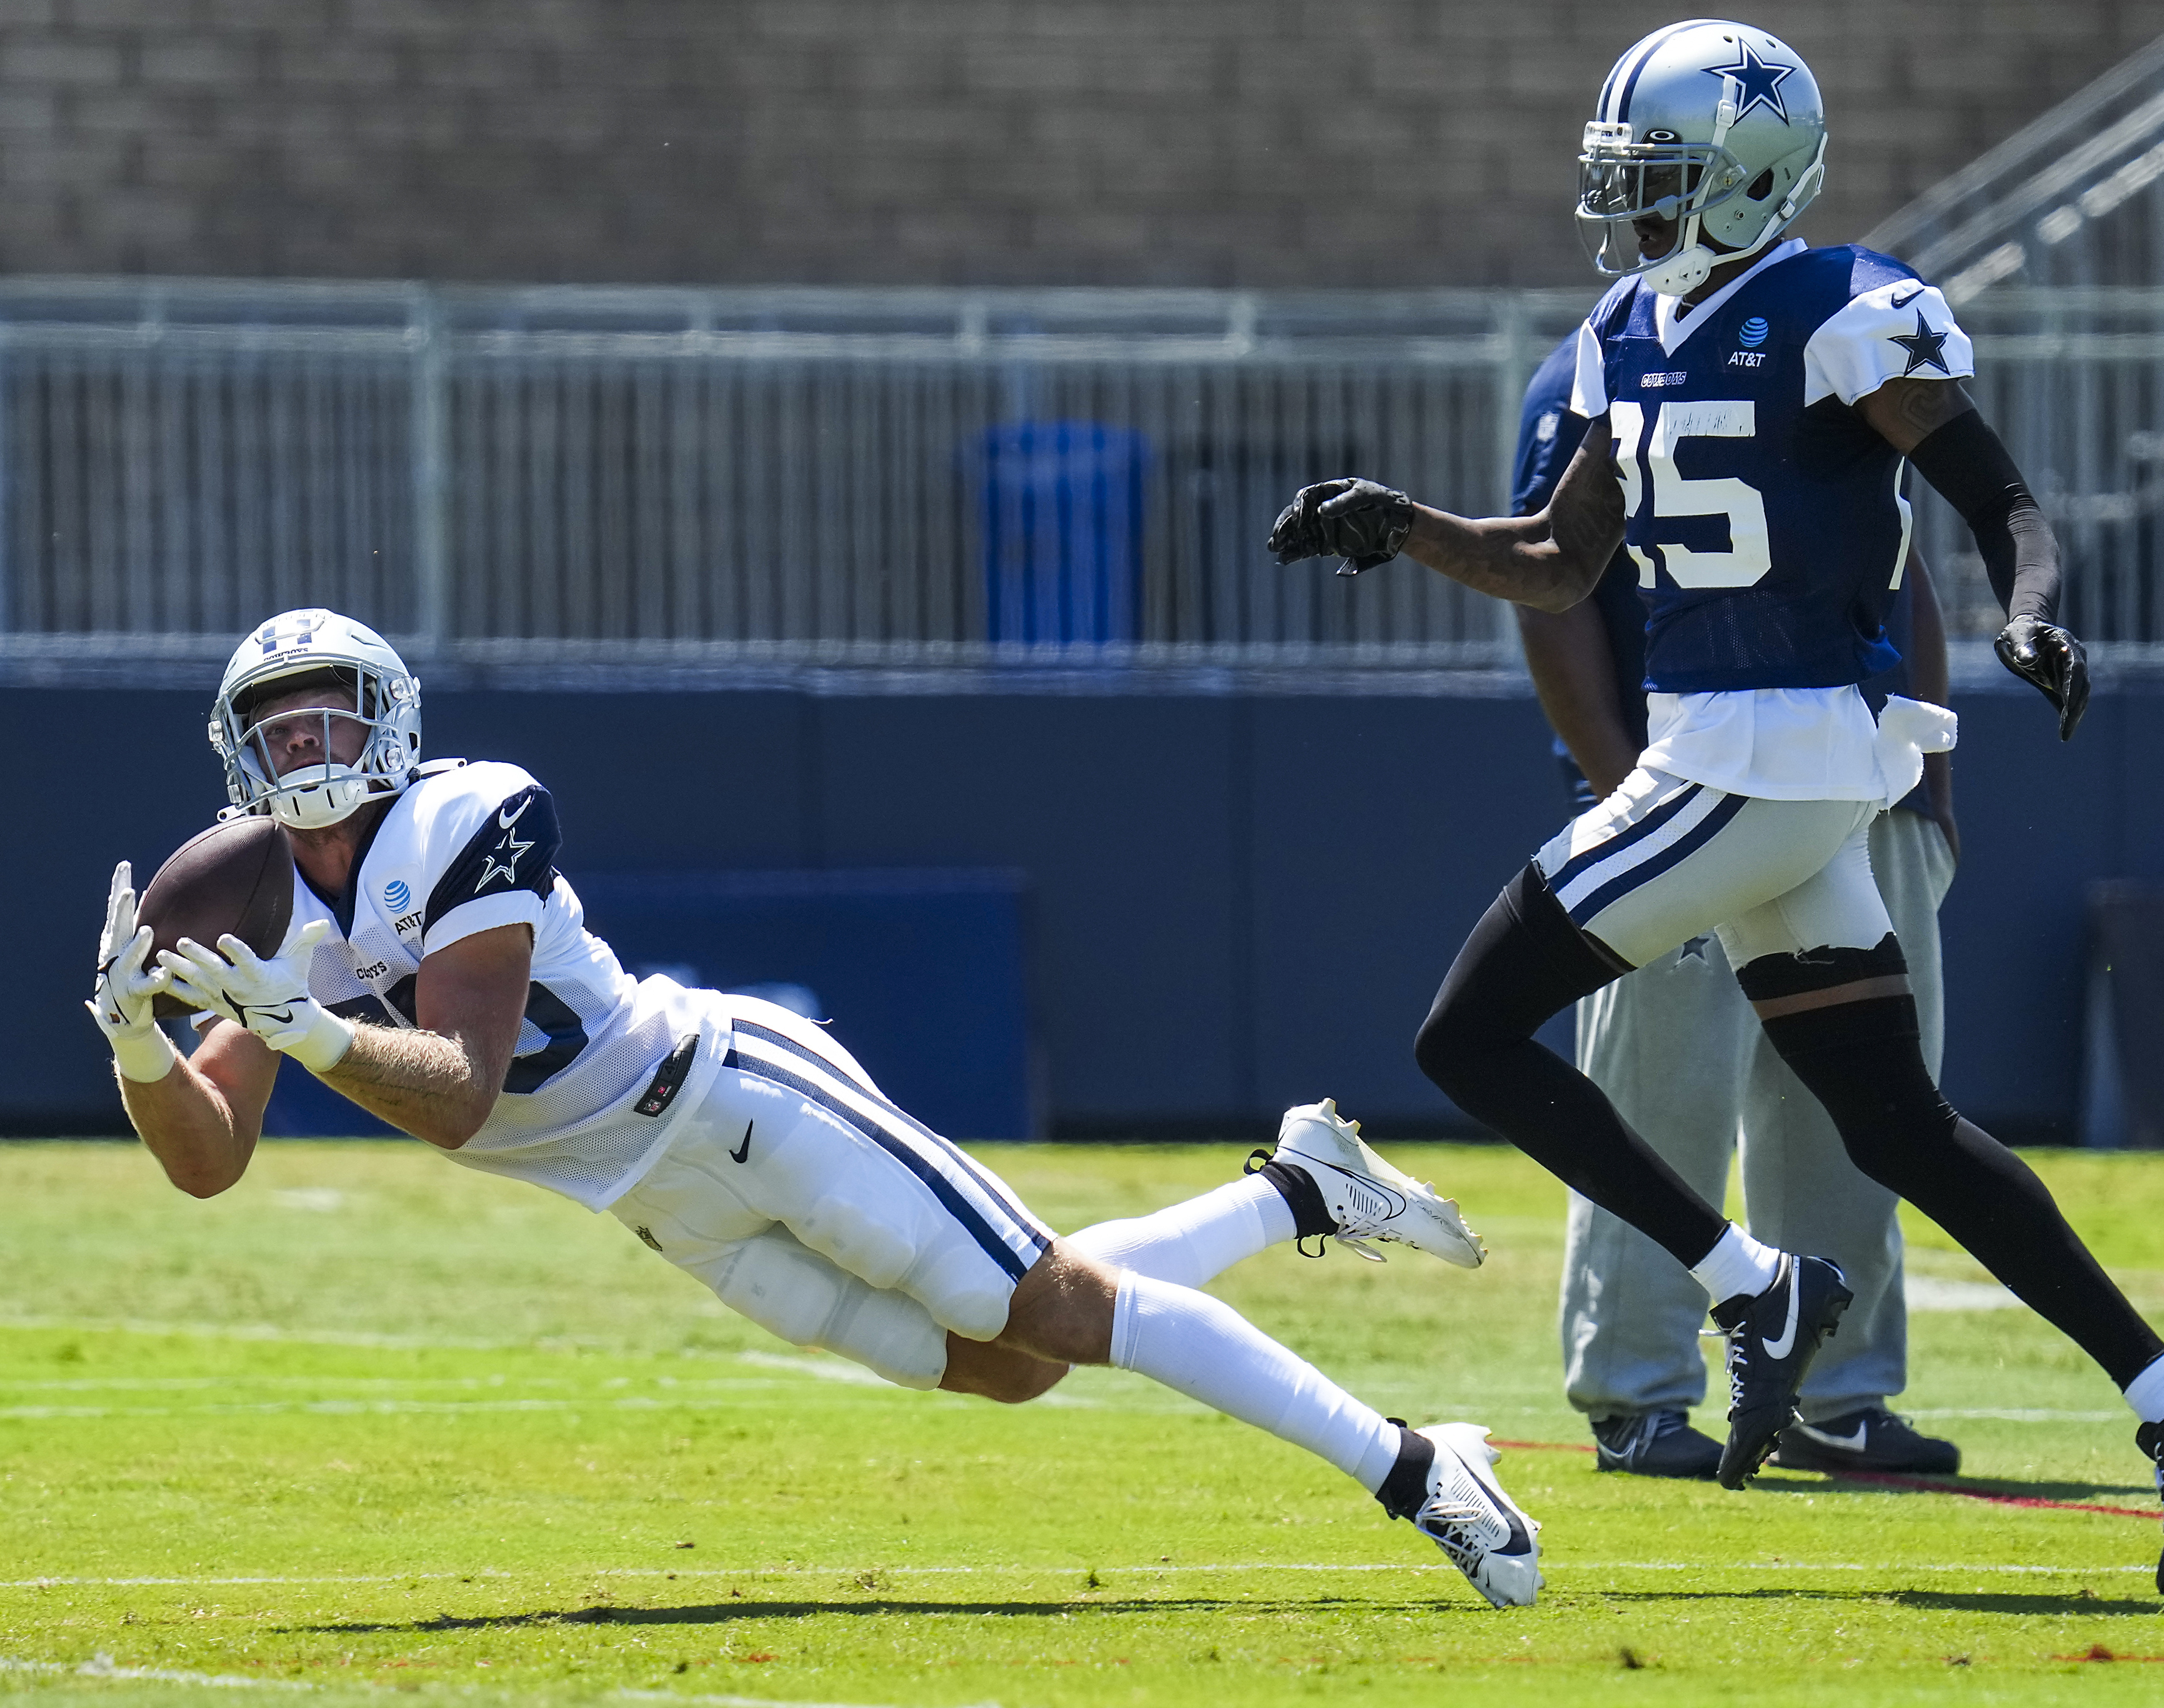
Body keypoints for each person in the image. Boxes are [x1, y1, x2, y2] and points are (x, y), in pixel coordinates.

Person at [1269, 21, 2164, 1593]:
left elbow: (1997, 496)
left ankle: (1751, 1291)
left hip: (1761, 751)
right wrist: (1399, 525)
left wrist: (2028, 611)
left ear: (1744, 177)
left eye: (1658, 178)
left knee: (1462, 1036)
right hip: (1748, 763)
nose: (1632, 208)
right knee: (1901, 1127)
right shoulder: (1621, 325)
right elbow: (1559, 559)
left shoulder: (1839, 308)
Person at [86, 608, 1542, 1607]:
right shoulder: (243, 900)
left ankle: (1415, 1465)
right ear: (235, 752)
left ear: (389, 717)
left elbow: (460, 1086)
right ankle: (1295, 1187)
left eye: (323, 717)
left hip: (731, 1096)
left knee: (1047, 1306)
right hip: (655, 1200)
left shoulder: (471, 812)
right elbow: (209, 1163)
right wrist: (144, 1049)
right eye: (272, 732)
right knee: (1010, 1364)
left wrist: (316, 1027)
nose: (302, 750)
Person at [1509, 327, 1962, 1480]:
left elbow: (1904, 576)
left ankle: (1836, 1391)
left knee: (1865, 1102)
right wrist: (1625, 787)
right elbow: (1556, 587)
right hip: (1688, 772)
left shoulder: (1832, 343)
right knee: (1662, 1097)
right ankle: (1639, 1389)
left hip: (1852, 777)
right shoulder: (1595, 365)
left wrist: (1931, 795)